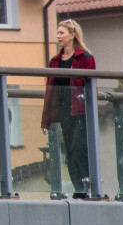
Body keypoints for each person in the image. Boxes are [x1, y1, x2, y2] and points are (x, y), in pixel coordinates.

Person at [40, 18, 97, 199]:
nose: (58, 36)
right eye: (57, 33)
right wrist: (46, 119)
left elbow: (91, 88)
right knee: (70, 152)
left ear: (72, 35)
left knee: (80, 148)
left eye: (61, 33)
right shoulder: (55, 61)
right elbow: (50, 92)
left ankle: (87, 187)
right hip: (64, 111)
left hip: (80, 111)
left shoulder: (86, 58)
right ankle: (79, 189)